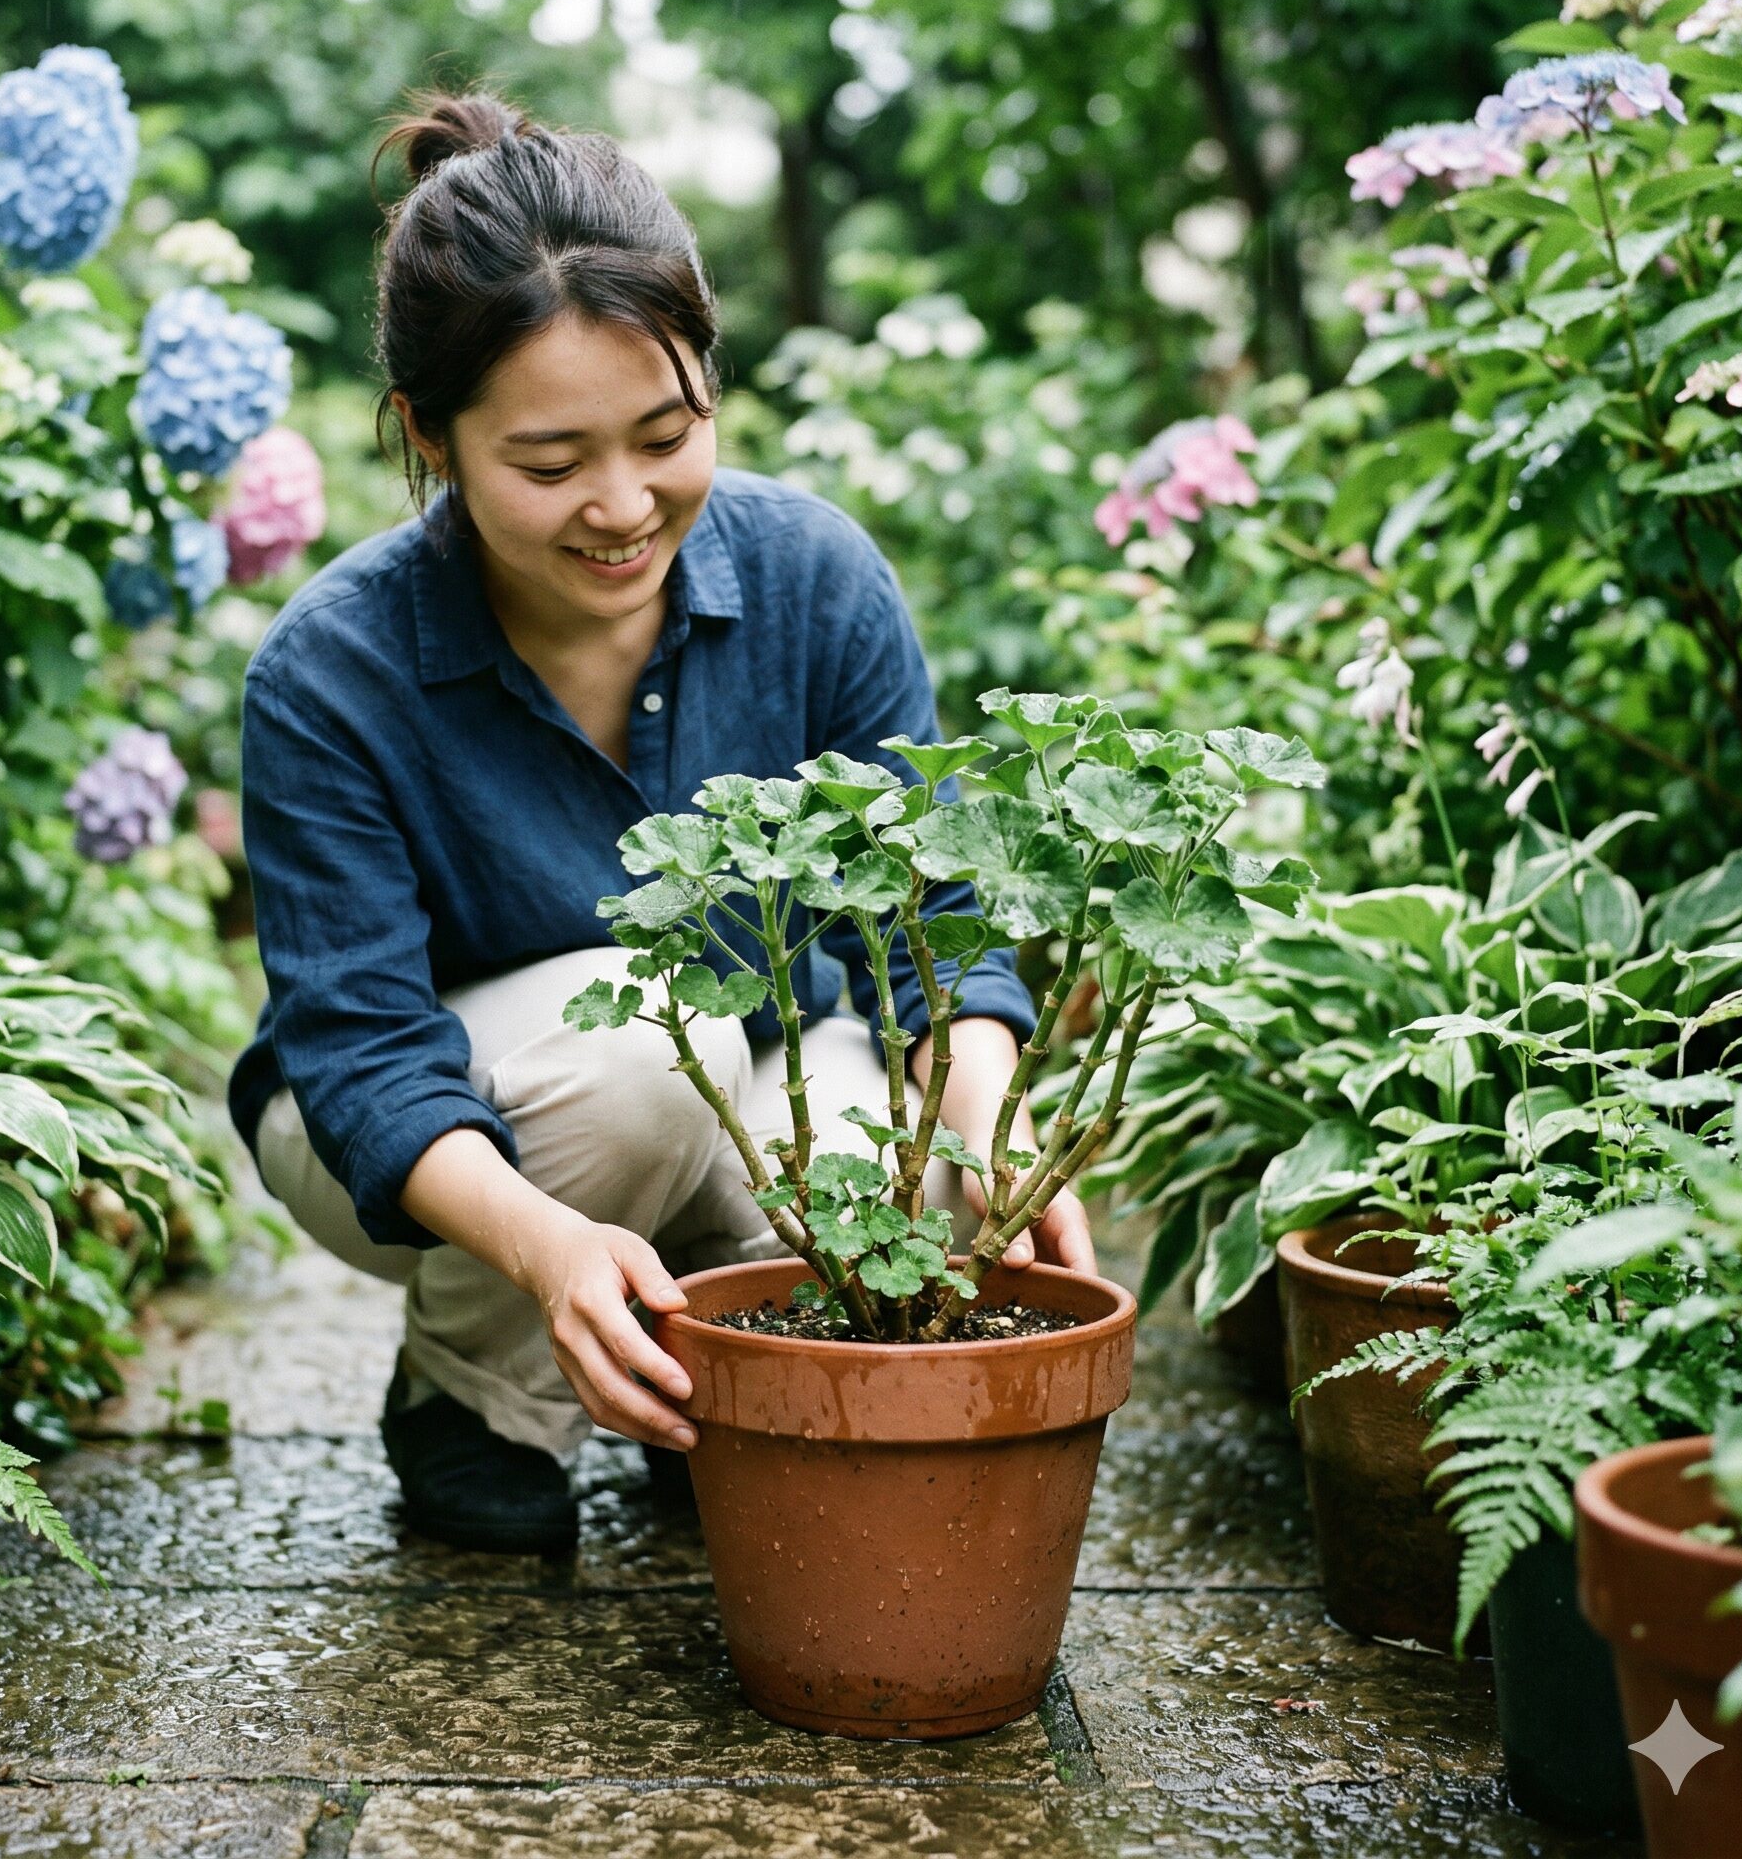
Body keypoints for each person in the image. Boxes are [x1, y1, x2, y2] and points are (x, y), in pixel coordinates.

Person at [228, 88, 1099, 1556]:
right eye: (552, 465)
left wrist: (995, 1143)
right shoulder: (333, 670)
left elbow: (932, 928)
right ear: (427, 438)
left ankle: (714, 1373)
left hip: (757, 1059)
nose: (625, 506)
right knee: (636, 1065)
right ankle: (474, 1398)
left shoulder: (816, 578)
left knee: (898, 1165)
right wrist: (552, 1253)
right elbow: (365, 1050)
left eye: (666, 431)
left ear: (710, 378)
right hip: (426, 1125)